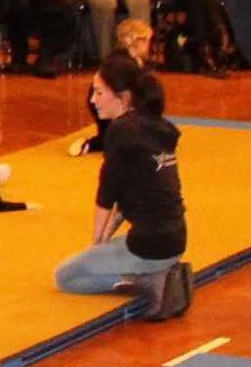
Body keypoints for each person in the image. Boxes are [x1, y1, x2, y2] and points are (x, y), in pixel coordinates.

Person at [55, 53, 191, 319]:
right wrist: (104, 243)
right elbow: (131, 196)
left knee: (67, 276)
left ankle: (152, 281)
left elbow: (107, 194)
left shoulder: (121, 131)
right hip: (174, 238)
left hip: (150, 245)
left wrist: (96, 244)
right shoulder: (159, 126)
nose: (93, 101)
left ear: (124, 97)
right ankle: (161, 273)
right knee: (106, 252)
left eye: (99, 93)